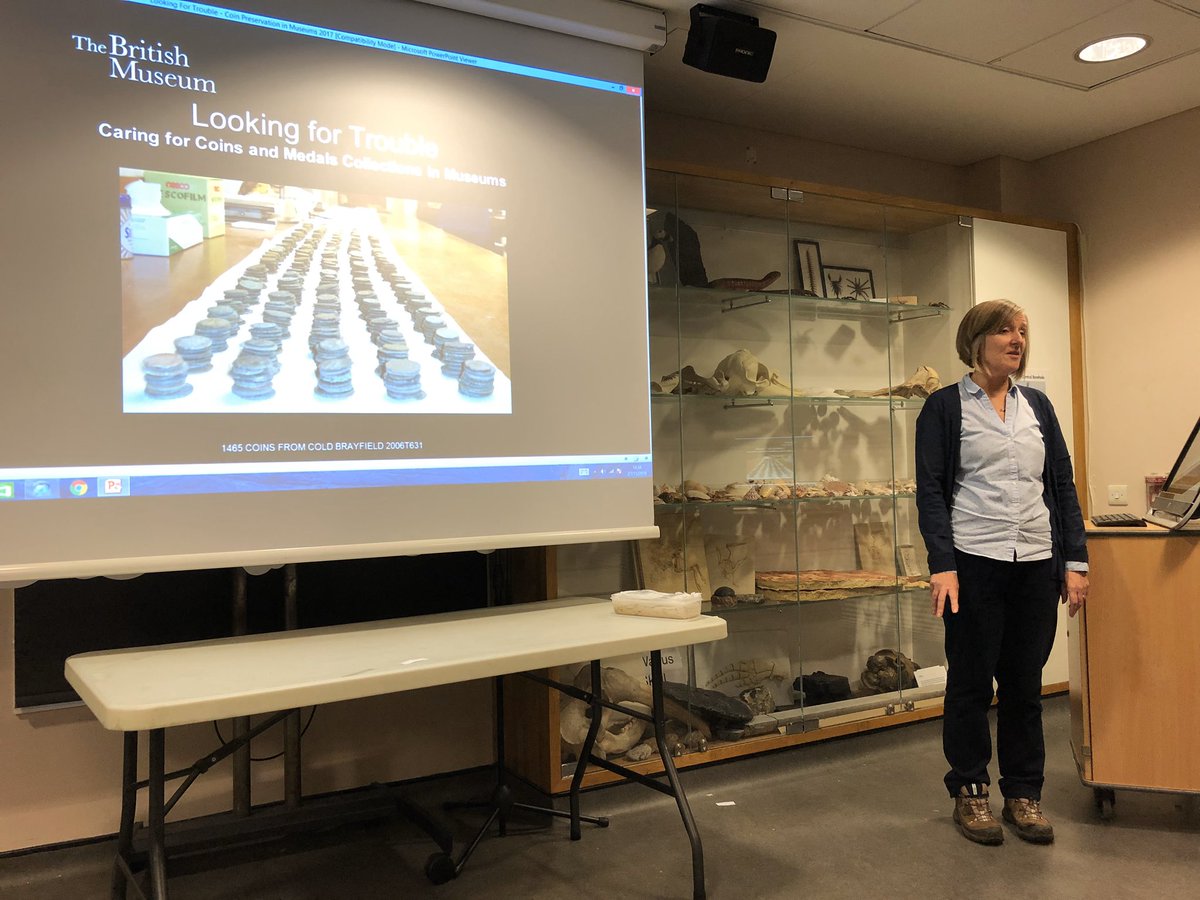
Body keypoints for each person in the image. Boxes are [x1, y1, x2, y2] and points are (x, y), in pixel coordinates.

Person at [915, 298, 1089, 846]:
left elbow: (1060, 484)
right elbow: (931, 493)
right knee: (969, 684)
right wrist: (942, 565)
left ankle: (1023, 794)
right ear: (976, 339)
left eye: (1021, 332)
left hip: (1035, 561)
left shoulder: (1037, 403)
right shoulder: (945, 407)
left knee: (1024, 686)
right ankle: (970, 792)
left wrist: (1074, 561)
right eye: (1004, 331)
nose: (1016, 340)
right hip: (974, 561)